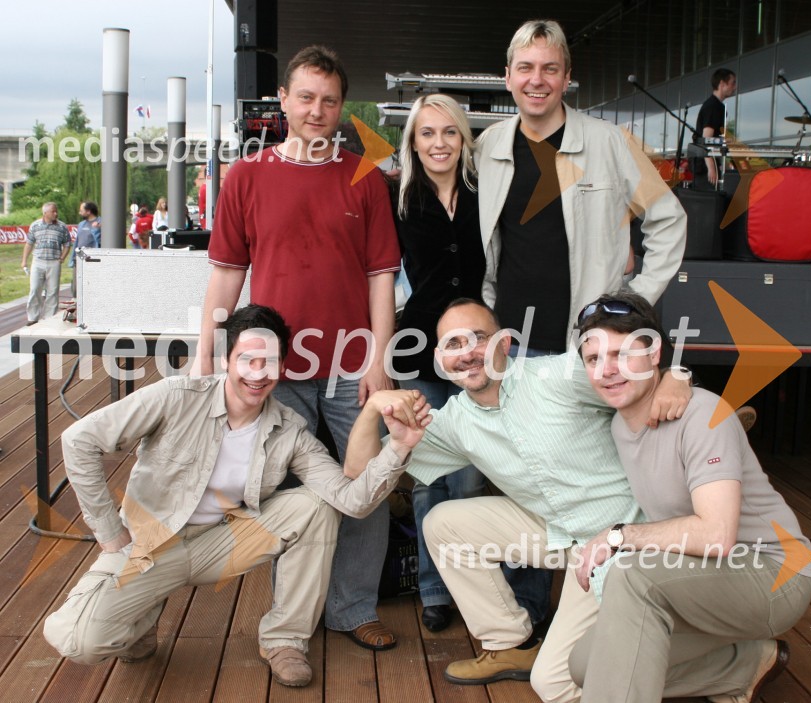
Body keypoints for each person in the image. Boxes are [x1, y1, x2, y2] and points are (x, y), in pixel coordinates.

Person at [43, 304, 431, 687]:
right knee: (80, 642)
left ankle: (285, 640)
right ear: (228, 360)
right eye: (248, 359)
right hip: (150, 545)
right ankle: (140, 620)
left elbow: (353, 500)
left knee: (316, 505)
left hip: (221, 541)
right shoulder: (177, 396)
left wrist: (397, 448)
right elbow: (79, 441)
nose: (259, 374)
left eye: (271, 361)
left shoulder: (289, 430)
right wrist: (111, 535)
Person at [346, 298, 692, 702]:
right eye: (453, 345)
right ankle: (511, 645)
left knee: (555, 684)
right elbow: (358, 475)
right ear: (440, 360)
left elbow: (632, 375)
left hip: (622, 543)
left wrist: (676, 377)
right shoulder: (454, 421)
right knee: (443, 523)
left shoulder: (560, 374)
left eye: (478, 338)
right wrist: (372, 409)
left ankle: (731, 662)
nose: (468, 353)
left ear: (505, 343)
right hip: (564, 537)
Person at [198, 46, 401, 651]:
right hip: (273, 369)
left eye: (330, 100)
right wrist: (208, 351)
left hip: (350, 367)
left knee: (364, 484)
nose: (317, 110)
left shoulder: (366, 178)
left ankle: (353, 606)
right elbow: (229, 273)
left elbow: (381, 277)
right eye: (305, 97)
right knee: (284, 492)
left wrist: (379, 359)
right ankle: (294, 613)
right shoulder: (248, 176)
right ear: (282, 100)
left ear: (343, 108)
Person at [568, 292, 811, 703]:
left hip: (773, 575)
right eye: (594, 359)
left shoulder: (701, 414)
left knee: (633, 574)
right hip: (701, 579)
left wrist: (618, 536)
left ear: (653, 354)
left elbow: (717, 536)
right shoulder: (618, 425)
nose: (607, 371)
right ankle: (744, 665)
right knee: (585, 666)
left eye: (623, 354)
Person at [393, 94, 550, 633]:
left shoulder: (488, 193)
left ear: (465, 139)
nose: (439, 143)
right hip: (420, 347)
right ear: (413, 142)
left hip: (480, 349)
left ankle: (479, 581)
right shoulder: (398, 198)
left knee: (469, 475)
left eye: (449, 133)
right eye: (427, 133)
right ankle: (435, 589)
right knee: (429, 475)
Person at [476, 20, 686, 357]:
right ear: (508, 76)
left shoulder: (612, 143)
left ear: (567, 77)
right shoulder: (487, 147)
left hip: (589, 343)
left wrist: (635, 300)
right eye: (525, 68)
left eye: (550, 69)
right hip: (508, 343)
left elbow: (669, 220)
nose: (536, 80)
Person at [21, 202, 71, 325]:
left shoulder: (62, 226)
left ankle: (50, 318)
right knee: (34, 289)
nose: (56, 213)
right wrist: (24, 261)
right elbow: (29, 243)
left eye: (56, 211)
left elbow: (67, 244)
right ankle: (32, 317)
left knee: (52, 291)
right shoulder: (35, 225)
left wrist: (62, 257)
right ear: (45, 213)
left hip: (54, 261)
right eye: (53, 211)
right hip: (38, 261)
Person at [694, 68, 738, 189]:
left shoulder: (715, 105)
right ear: (722, 84)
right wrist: (711, 168)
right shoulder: (713, 107)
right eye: (732, 83)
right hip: (705, 167)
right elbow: (706, 139)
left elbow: (713, 139)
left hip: (708, 163)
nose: (734, 87)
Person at [69, 201, 101, 298]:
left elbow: (101, 241)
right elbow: (77, 241)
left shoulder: (100, 223)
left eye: (81, 210)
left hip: (92, 258)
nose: (79, 213)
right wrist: (73, 257)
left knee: (91, 285)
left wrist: (96, 230)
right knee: (76, 286)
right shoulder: (81, 224)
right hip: (79, 257)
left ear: (88, 211)